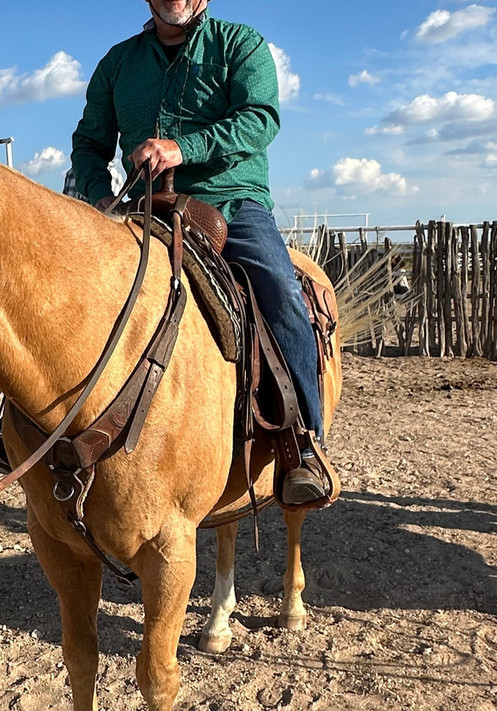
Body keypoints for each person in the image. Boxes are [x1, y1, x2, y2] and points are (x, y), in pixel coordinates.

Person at [70, 0, 337, 506]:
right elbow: (89, 141)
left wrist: (182, 148)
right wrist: (100, 197)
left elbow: (260, 119)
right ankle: (22, 423)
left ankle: (302, 442)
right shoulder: (118, 63)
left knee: (279, 292)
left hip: (231, 204)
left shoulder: (241, 45)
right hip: (141, 206)